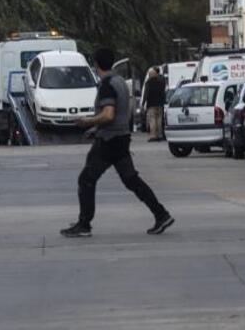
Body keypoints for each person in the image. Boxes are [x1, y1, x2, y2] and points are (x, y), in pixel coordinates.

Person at [61, 48, 174, 238]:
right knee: (132, 180)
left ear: (96, 64)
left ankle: (84, 224)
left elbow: (108, 114)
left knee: (86, 179)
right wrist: (95, 129)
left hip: (108, 141)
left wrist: (87, 122)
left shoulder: (107, 85)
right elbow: (119, 114)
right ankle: (161, 214)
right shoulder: (120, 82)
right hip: (121, 138)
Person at [143, 67, 167, 142]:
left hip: (151, 104)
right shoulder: (161, 82)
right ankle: (159, 134)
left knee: (152, 119)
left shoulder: (148, 82)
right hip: (160, 104)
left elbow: (146, 93)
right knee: (159, 120)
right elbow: (163, 92)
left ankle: (153, 135)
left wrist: (144, 102)